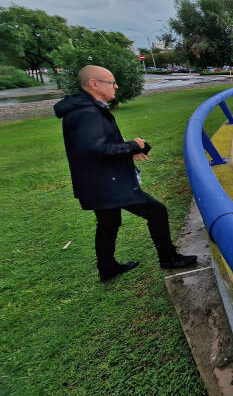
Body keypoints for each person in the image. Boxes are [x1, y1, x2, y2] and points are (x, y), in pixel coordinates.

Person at [54, 65, 197, 282]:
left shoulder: (86, 108)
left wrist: (129, 152)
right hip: (107, 183)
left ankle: (107, 268)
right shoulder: (87, 113)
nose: (116, 86)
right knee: (157, 212)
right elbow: (96, 149)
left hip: (99, 182)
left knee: (108, 223)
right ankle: (168, 258)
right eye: (112, 82)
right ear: (94, 84)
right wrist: (132, 146)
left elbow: (95, 148)